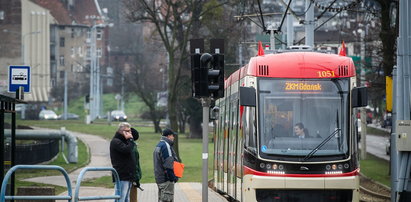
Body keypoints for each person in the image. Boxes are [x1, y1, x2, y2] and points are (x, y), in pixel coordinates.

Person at [110, 122, 135, 202]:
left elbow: (136, 135)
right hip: (121, 175)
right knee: (121, 198)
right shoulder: (116, 141)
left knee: (126, 199)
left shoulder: (125, 141)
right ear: (121, 131)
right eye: (127, 131)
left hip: (128, 175)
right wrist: (130, 140)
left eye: (130, 131)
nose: (130, 133)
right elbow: (126, 150)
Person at [153, 128, 179, 202]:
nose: (173, 137)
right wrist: (172, 177)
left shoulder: (159, 145)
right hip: (166, 179)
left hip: (160, 178)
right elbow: (168, 163)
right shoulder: (166, 146)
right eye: (172, 135)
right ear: (168, 136)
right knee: (167, 199)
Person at [130, 127, 142, 202]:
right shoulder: (133, 148)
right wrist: (136, 179)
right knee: (133, 199)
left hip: (130, 178)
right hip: (132, 179)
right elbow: (135, 165)